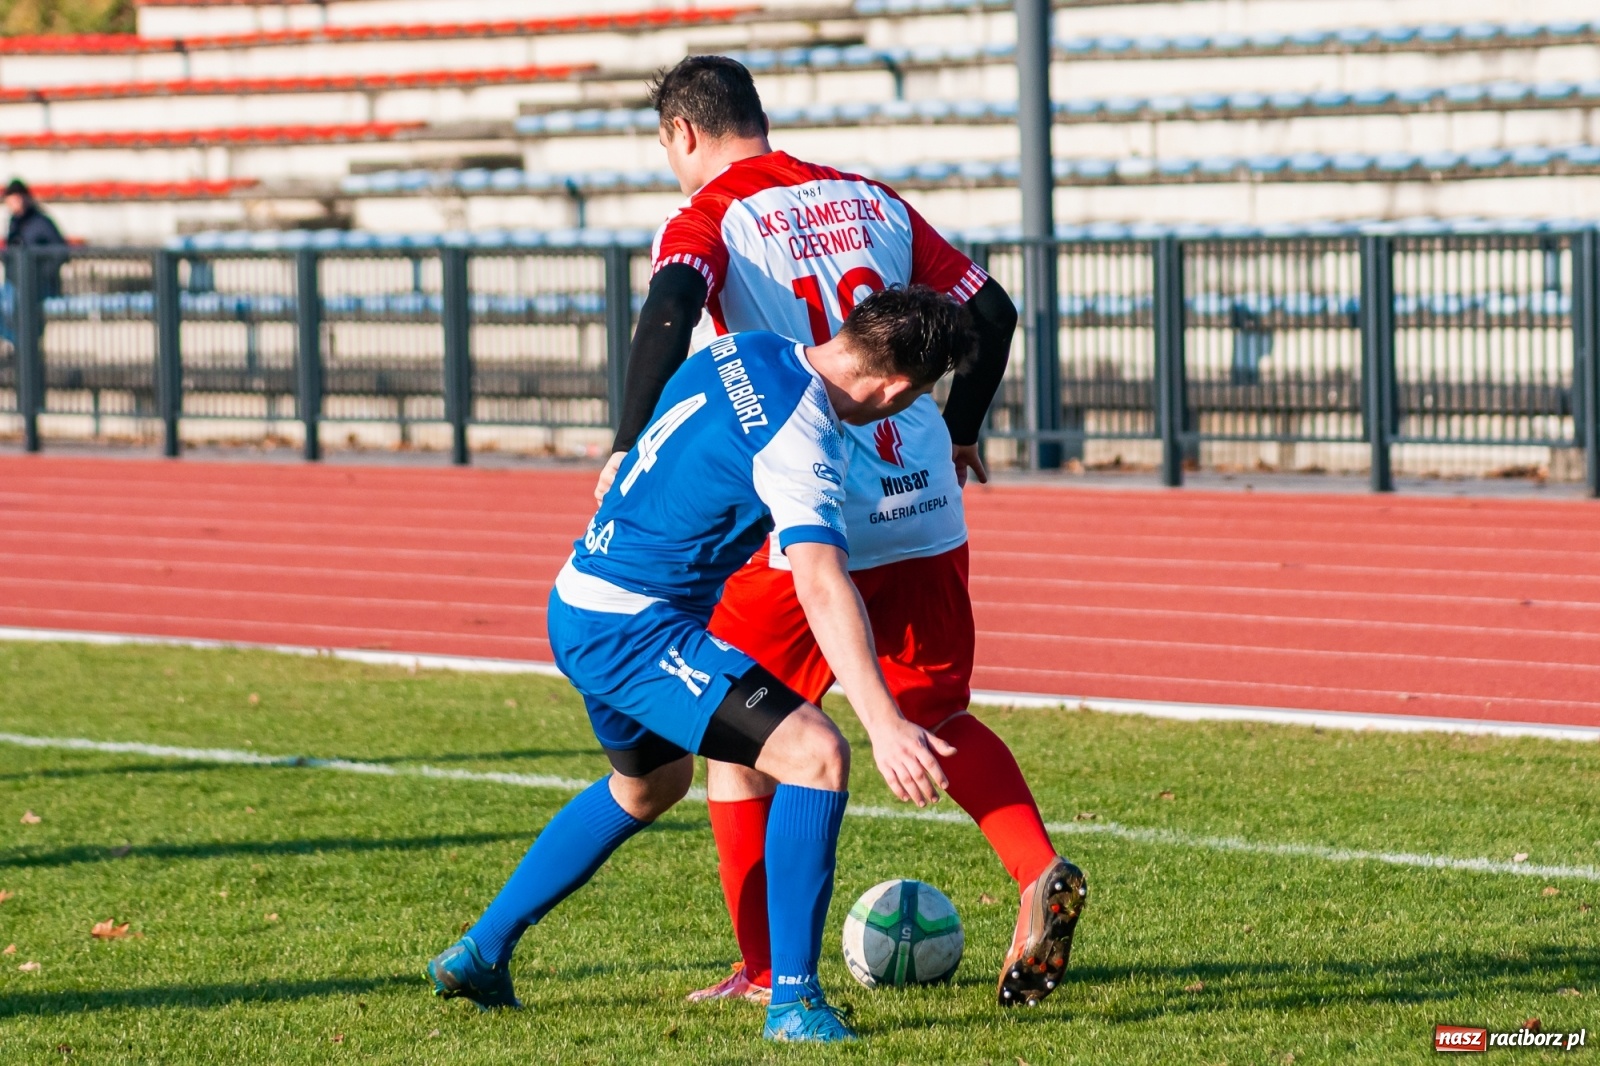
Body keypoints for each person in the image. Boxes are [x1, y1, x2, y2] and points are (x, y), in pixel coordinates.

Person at [593, 56, 1088, 1011]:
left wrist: (625, 440)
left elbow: (671, 308)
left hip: (810, 500)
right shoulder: (871, 199)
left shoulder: (709, 215)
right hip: (924, 500)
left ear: (682, 134)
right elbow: (992, 312)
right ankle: (1035, 869)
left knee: (738, 739)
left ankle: (763, 970)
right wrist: (961, 428)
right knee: (935, 713)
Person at [428, 287, 976, 1044]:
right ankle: (793, 1004)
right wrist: (884, 724)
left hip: (582, 595)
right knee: (818, 755)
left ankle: (479, 953)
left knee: (650, 785)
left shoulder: (742, 350)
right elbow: (820, 580)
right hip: (634, 626)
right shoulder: (802, 434)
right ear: (895, 390)